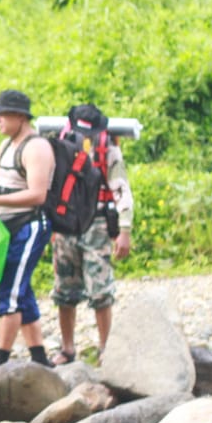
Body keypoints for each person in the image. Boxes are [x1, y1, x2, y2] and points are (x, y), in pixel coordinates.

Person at [0, 89, 55, 373]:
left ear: (20, 117)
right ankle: (40, 357)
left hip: (29, 225)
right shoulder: (6, 145)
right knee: (21, 287)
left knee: (11, 291)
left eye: (2, 115)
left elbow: (37, 194)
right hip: (7, 225)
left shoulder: (36, 147)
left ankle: (0, 360)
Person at [50, 118, 135, 364]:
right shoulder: (59, 142)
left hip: (96, 221)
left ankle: (105, 348)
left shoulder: (106, 145)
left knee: (100, 289)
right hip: (66, 221)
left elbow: (120, 187)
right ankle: (67, 349)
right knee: (64, 288)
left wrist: (124, 228)